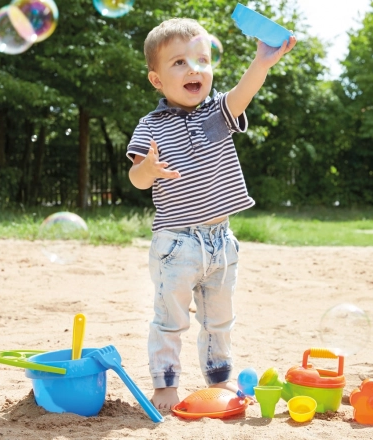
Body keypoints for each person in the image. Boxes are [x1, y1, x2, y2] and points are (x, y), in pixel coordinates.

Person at [126, 17, 296, 409]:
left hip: (221, 240)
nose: (193, 69)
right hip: (176, 243)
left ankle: (220, 379)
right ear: (157, 80)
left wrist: (263, 62)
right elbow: (136, 177)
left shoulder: (218, 113)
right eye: (179, 63)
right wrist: (147, 170)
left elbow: (243, 92)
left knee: (219, 320)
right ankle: (166, 383)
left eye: (201, 60)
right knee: (171, 319)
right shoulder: (150, 125)